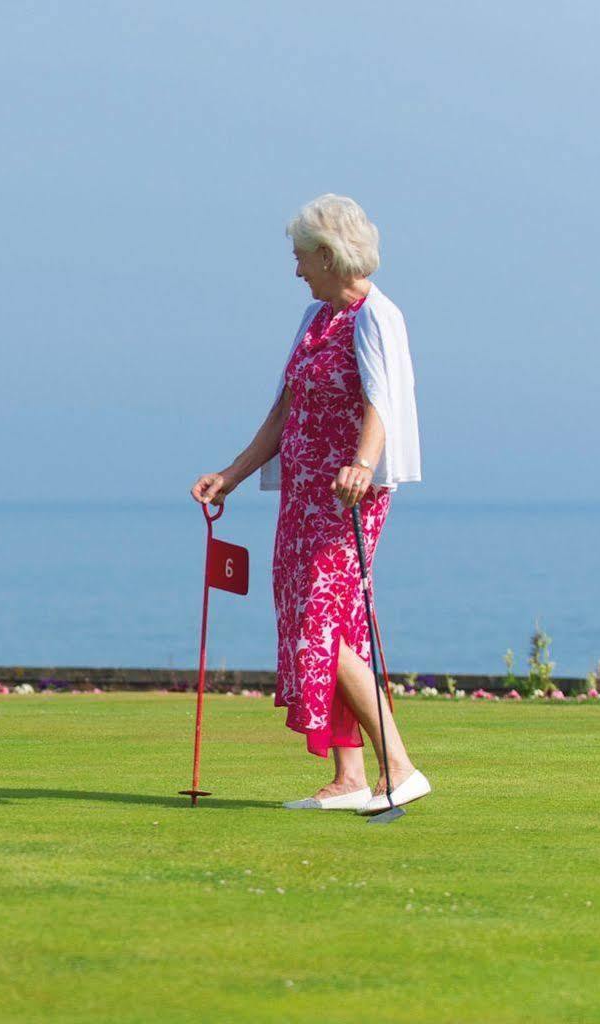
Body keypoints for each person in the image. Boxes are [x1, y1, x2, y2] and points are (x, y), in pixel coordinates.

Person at [191, 195, 430, 815]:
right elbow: (285, 409)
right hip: (302, 497)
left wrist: (361, 463)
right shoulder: (315, 319)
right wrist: (233, 474)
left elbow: (382, 399)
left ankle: (399, 765)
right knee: (326, 625)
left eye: (302, 258)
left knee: (318, 626)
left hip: (349, 495)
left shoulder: (377, 316)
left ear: (328, 255)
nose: (297, 271)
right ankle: (350, 777)